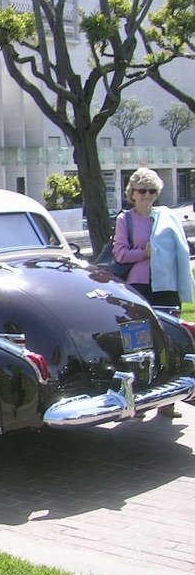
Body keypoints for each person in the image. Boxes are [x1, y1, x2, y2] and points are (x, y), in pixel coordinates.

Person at [112, 167, 193, 419]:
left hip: (166, 288)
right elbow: (120, 254)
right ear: (132, 193)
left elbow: (181, 251)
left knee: (169, 342)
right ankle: (138, 398)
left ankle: (167, 400)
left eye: (151, 191)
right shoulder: (125, 219)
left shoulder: (166, 218)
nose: (146, 195)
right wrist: (144, 254)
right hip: (139, 288)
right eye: (141, 190)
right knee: (138, 344)